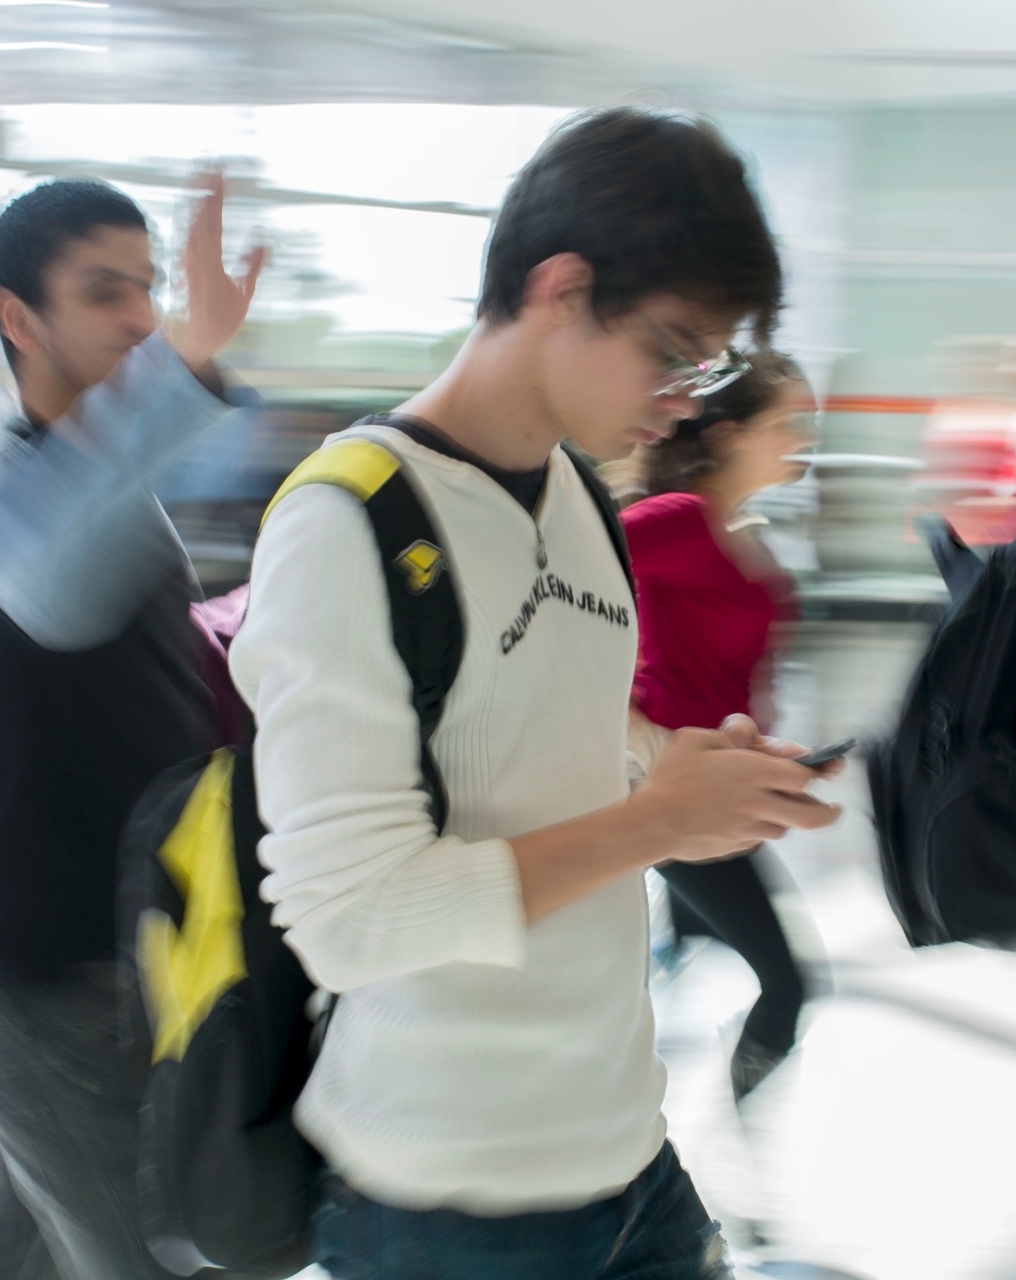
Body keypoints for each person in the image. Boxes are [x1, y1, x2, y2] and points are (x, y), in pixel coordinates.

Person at [228, 108, 841, 1280]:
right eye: (672, 351)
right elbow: (347, 918)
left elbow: (543, 721)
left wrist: (675, 766)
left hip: (626, 1155)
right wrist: (657, 822)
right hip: (446, 1201)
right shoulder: (345, 522)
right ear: (560, 288)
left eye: (707, 366)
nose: (686, 400)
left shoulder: (578, 495)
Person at [0, 174, 262, 1278]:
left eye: (150, 289)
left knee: (14, 1261)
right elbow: (52, 580)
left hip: (127, 965)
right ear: (18, 317)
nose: (141, 318)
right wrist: (189, 365)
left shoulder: (87, 470)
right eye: (104, 291)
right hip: (48, 993)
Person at [619, 352, 819, 1104]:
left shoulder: (737, 528)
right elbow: (563, 573)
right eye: (790, 422)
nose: (804, 437)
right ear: (731, 435)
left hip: (720, 789)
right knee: (789, 984)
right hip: (675, 791)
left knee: (698, 961)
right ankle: (742, 1161)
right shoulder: (674, 521)